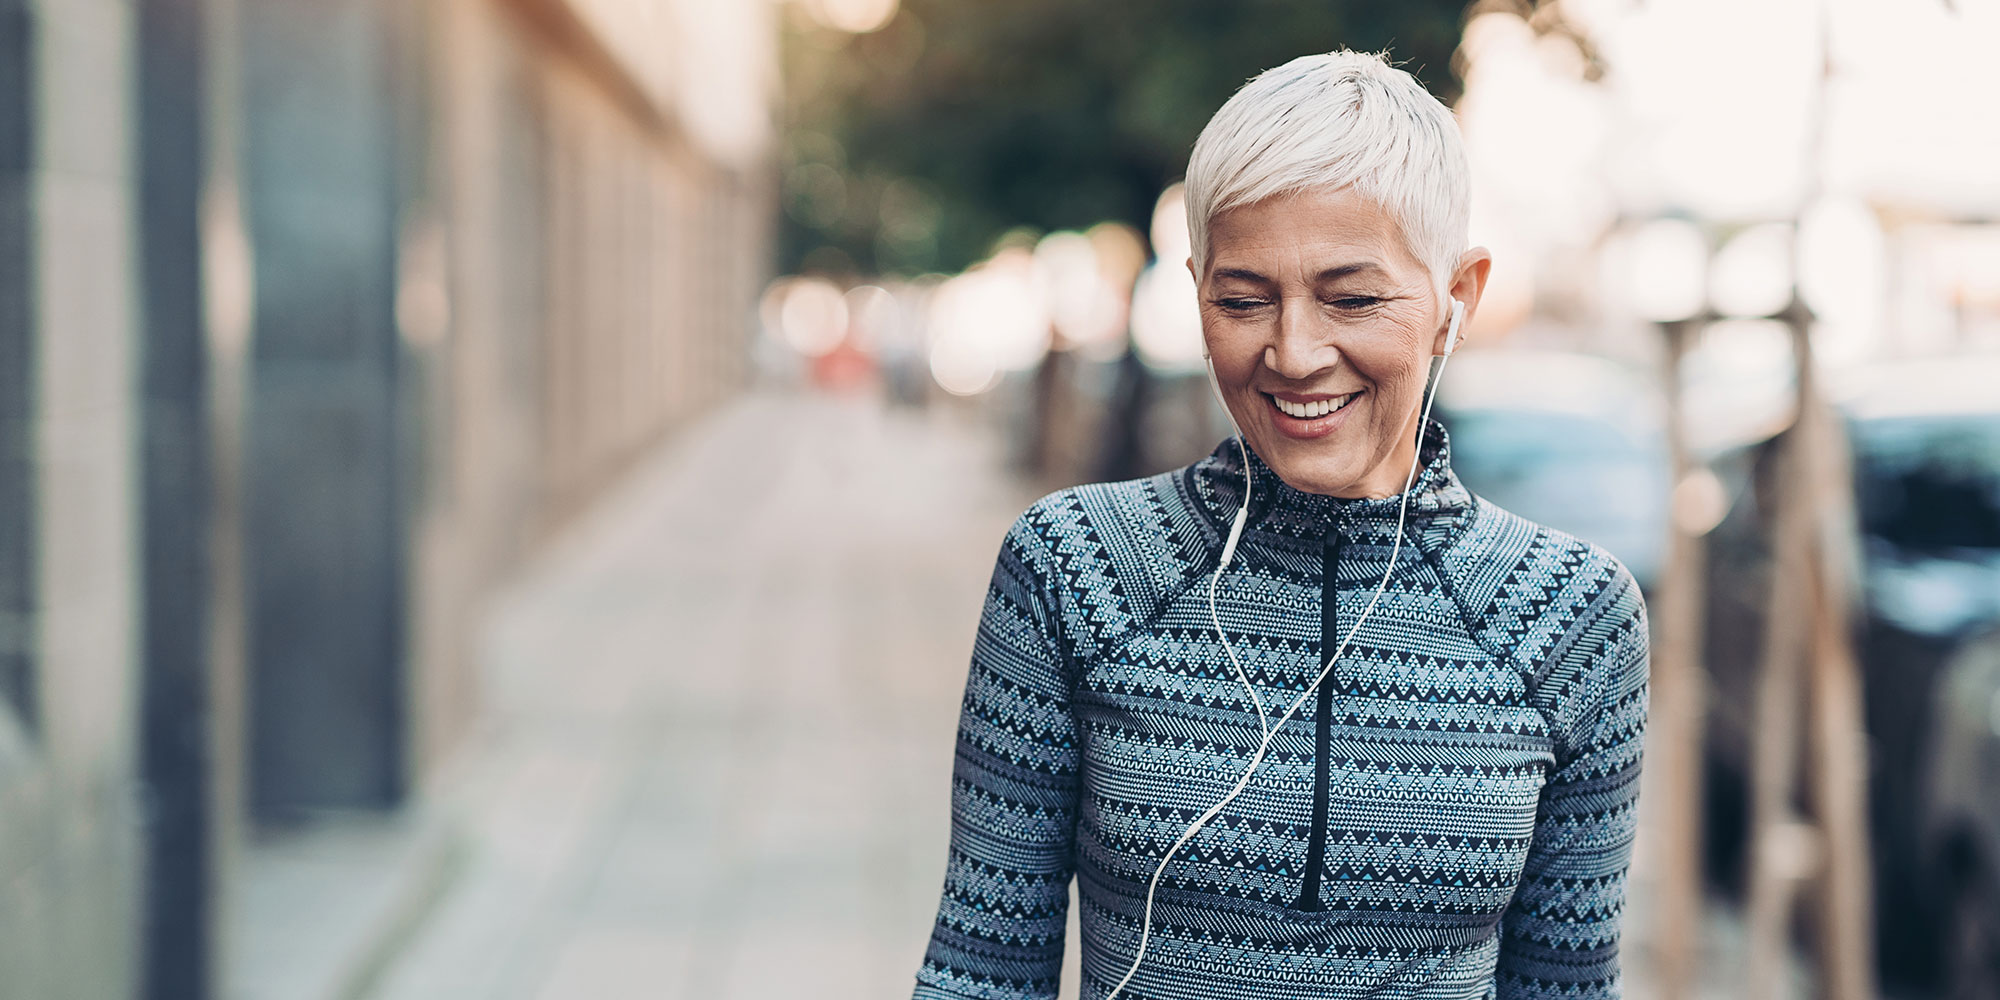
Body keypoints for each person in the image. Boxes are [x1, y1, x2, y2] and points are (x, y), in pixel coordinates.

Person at [913, 50, 1649, 1000]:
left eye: (1353, 298)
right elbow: (978, 972)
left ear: (1456, 300)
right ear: (1197, 292)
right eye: (1242, 301)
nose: (1294, 353)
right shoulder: (1073, 565)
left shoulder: (1573, 613)